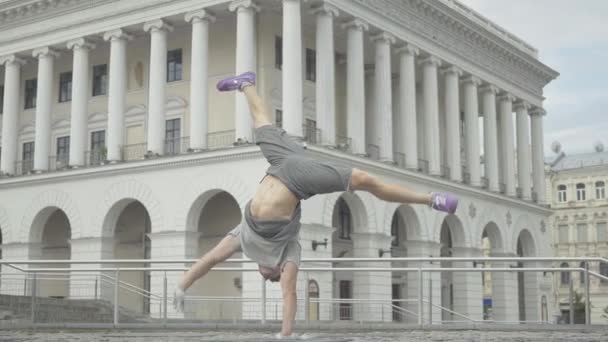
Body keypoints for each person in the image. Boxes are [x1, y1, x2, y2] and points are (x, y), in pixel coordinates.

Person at [173, 71, 458, 338]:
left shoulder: (243, 239)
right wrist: (285, 334)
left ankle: (246, 83)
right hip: (299, 179)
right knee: (365, 181)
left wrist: (181, 286)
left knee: (261, 121)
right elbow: (289, 295)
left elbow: (209, 259)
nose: (264, 274)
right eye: (268, 276)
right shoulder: (288, 253)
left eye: (264, 275)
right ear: (276, 271)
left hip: (282, 162)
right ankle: (431, 199)